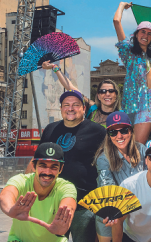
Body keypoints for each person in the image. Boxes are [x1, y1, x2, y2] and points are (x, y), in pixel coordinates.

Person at [25, 89, 106, 242]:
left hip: (84, 205)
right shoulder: (51, 129)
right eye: (66, 105)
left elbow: (109, 164)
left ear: (83, 108)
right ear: (61, 109)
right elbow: (36, 161)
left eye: (75, 105)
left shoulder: (98, 131)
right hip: (52, 202)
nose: (70, 108)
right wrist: (25, 188)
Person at [113, 2, 151, 144]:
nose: (145, 35)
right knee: (138, 145)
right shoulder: (128, 53)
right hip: (143, 102)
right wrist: (122, 6)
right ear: (136, 34)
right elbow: (116, 21)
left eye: (149, 33)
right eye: (142, 32)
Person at [0, 142, 77, 242]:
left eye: (54, 167)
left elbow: (69, 204)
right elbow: (6, 195)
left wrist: (64, 223)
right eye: (43, 165)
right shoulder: (22, 180)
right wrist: (10, 209)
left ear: (61, 169)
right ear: (33, 166)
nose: (47, 172)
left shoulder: (66, 186)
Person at [93, 111, 147, 242]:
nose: (119, 136)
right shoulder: (103, 158)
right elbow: (108, 188)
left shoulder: (142, 150)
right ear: (108, 135)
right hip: (112, 211)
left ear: (131, 131)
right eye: (113, 132)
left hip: (139, 212)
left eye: (123, 130)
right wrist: (113, 212)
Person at [42, 60, 121, 127]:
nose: (107, 94)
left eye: (111, 91)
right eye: (103, 91)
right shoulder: (92, 109)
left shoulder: (122, 116)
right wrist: (54, 67)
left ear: (116, 95)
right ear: (98, 96)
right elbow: (70, 87)